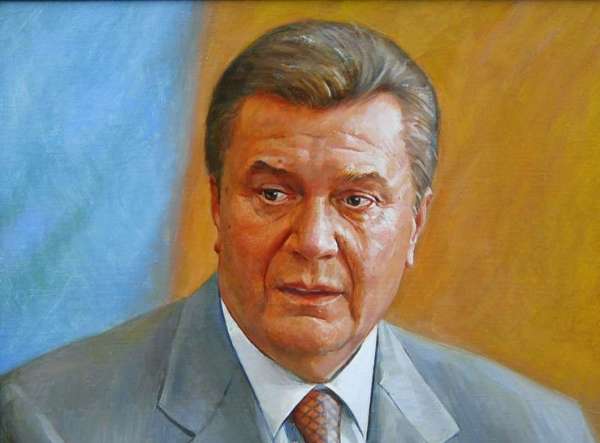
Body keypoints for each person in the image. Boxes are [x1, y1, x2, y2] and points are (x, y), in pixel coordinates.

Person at [0, 20, 595, 443]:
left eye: (357, 200)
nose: (313, 241)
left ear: (415, 224)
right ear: (216, 205)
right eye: (273, 194)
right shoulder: (52, 420)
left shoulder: (540, 430)